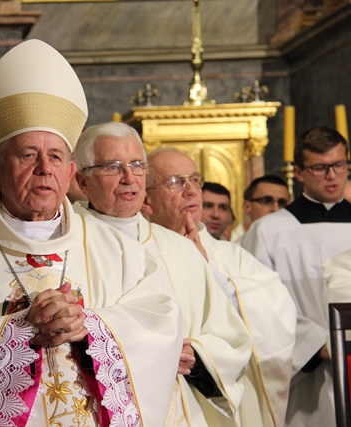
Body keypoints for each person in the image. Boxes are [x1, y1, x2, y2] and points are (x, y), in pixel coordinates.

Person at [0, 39, 183, 427]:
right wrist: (20, 330)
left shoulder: (119, 250)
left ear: (70, 173)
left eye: (56, 157)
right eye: (28, 154)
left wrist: (90, 326)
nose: (44, 168)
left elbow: (159, 325)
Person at [72, 122, 253, 426]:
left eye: (137, 165)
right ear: (83, 181)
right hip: (96, 406)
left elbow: (230, 338)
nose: (129, 177)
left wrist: (198, 356)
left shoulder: (178, 249)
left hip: (177, 408)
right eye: (113, 167)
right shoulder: (67, 244)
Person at [144, 147, 297, 427]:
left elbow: (279, 316)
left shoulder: (231, 256)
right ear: (146, 198)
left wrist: (209, 271)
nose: (192, 191)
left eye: (195, 180)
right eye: (176, 182)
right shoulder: (137, 253)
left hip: (218, 399)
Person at [242, 126, 351, 427]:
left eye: (339, 164)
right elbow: (256, 303)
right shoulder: (269, 232)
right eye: (320, 167)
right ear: (299, 173)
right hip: (305, 374)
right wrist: (316, 344)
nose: (332, 175)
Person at [231, 175, 290, 243]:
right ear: (247, 207)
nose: (275, 209)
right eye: (267, 201)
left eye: (282, 203)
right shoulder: (234, 247)